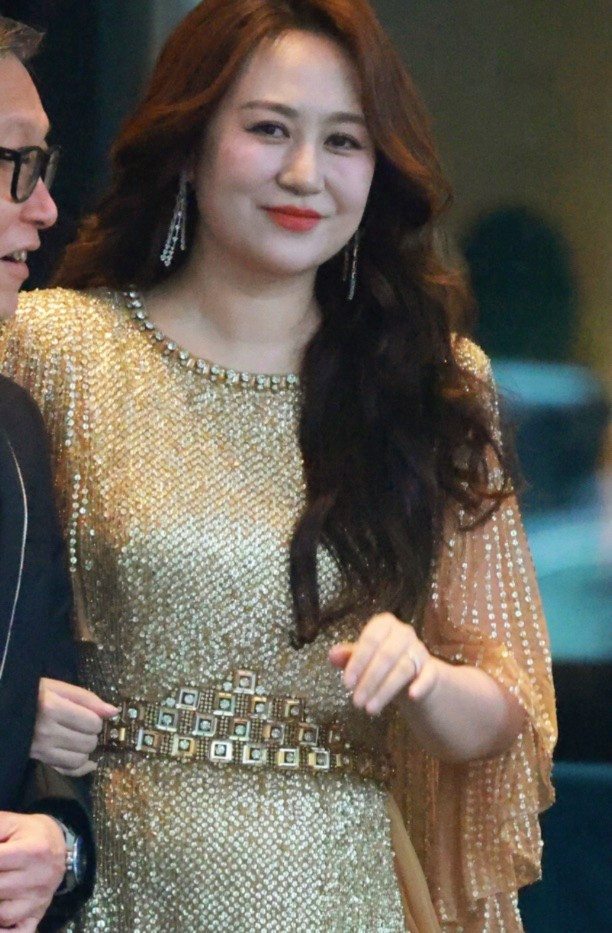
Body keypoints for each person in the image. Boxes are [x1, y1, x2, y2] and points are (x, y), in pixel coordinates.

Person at [0, 1, 556, 930]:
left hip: (343, 891)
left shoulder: (432, 380)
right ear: (189, 143)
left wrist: (422, 677)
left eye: (345, 141)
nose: (305, 174)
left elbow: (510, 707)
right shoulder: (55, 348)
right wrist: (21, 707)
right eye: (268, 129)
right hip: (112, 879)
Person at [0, 16, 98, 932]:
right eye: (16, 165)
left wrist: (59, 851)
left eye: (45, 168)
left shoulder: (17, 429)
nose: (45, 209)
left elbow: (55, 771)